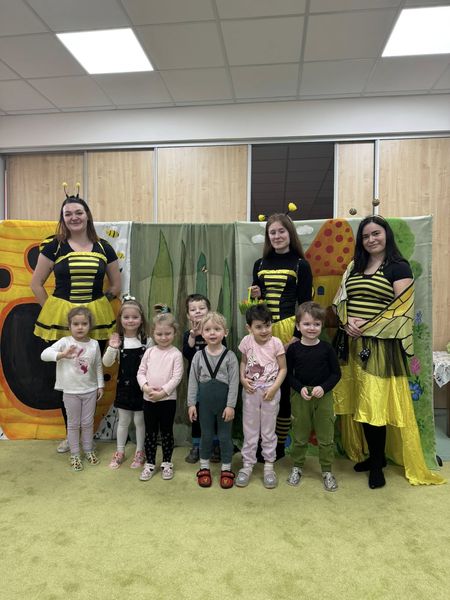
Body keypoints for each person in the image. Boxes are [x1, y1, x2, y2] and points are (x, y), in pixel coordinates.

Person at [333, 215, 445, 488]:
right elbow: (340, 300)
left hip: (380, 347)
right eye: (365, 236)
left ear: (386, 235)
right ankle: (375, 457)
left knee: (375, 403)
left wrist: (366, 326)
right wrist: (346, 323)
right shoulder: (354, 266)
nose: (371, 239)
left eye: (376, 234)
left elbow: (402, 309)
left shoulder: (398, 267)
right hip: (350, 343)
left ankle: (377, 464)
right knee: (357, 401)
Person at [31, 191, 121, 453]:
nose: (74, 217)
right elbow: (36, 284)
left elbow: (115, 285)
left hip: (97, 321)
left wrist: (101, 303)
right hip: (62, 321)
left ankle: (87, 434)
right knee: (67, 378)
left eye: (78, 212)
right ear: (63, 218)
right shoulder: (54, 246)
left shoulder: (104, 247)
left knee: (90, 375)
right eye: (68, 213)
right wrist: (53, 311)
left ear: (87, 215)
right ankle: (70, 435)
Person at [250, 213, 313, 458]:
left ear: (290, 233)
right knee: (260, 386)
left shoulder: (301, 265)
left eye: (281, 231)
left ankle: (277, 446)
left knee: (283, 389)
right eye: (272, 232)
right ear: (268, 236)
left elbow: (305, 304)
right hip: (263, 331)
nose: (277, 236)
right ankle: (260, 442)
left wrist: (296, 336)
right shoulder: (260, 264)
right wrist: (255, 295)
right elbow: (255, 304)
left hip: (288, 331)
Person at [286, 302, 341, 491]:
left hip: (323, 397)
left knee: (326, 436)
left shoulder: (327, 348)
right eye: (307, 324)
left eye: (316, 324)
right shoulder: (293, 349)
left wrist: (323, 388)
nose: (312, 328)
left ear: (322, 325)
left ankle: (327, 471)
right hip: (300, 397)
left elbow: (336, 374)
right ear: (298, 325)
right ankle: (297, 467)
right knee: (300, 435)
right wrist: (299, 388)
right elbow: (288, 374)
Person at [41, 307, 103, 471]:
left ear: (90, 325)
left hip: (90, 390)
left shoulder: (94, 344)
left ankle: (88, 450)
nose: (80, 327)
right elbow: (44, 354)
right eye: (76, 324)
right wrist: (62, 355)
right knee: (73, 424)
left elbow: (98, 365)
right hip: (70, 392)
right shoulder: (65, 342)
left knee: (88, 423)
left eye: (84, 324)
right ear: (69, 326)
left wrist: (100, 385)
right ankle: (75, 454)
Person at [236, 304, 286, 489]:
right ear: (249, 328)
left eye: (267, 325)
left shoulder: (276, 343)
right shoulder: (246, 341)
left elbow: (283, 369)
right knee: (250, 429)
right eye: (258, 327)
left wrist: (273, 388)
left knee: (268, 431)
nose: (264, 330)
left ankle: (269, 466)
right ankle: (247, 465)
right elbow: (243, 362)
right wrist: (242, 379)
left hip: (270, 393)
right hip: (250, 392)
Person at [187, 312, 239, 489]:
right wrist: (191, 404)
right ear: (201, 333)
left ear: (225, 332)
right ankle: (204, 467)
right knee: (206, 435)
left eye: (217, 329)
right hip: (205, 406)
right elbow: (192, 381)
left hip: (225, 406)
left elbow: (234, 384)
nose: (212, 333)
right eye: (208, 329)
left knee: (225, 437)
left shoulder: (230, 356)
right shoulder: (198, 356)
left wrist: (231, 406)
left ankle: (226, 468)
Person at [102, 297, 151, 470]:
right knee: (123, 421)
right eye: (126, 317)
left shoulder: (146, 341)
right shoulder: (118, 341)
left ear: (141, 319)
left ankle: (140, 451)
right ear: (120, 320)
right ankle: (120, 451)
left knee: (139, 421)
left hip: (142, 388)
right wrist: (112, 347)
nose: (131, 320)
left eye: (135, 317)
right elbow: (107, 363)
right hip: (124, 387)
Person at [137, 310, 183, 482]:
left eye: (168, 333)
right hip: (148, 399)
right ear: (153, 334)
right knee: (150, 432)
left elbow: (176, 377)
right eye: (159, 334)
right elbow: (141, 372)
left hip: (167, 401)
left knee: (166, 432)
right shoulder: (149, 352)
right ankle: (149, 463)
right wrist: (146, 388)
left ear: (174, 333)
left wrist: (162, 393)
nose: (163, 337)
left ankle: (167, 463)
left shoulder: (176, 354)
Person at [182, 293, 222, 464]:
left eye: (201, 308)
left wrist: (206, 333)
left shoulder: (216, 333)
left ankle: (215, 445)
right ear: (188, 315)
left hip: (215, 382)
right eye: (193, 309)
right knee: (196, 414)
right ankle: (197, 445)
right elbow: (187, 353)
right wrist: (193, 335)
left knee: (215, 414)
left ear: (209, 311)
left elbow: (222, 351)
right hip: (196, 383)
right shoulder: (188, 335)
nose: (197, 312)